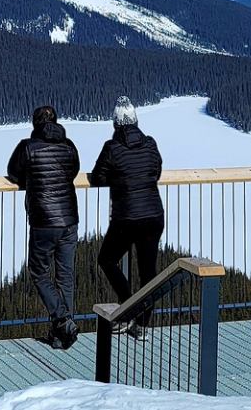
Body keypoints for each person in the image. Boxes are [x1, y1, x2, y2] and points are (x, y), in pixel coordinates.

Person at [7, 104, 82, 349]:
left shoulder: (27, 147)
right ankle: (63, 334)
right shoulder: (68, 146)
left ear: (34, 124)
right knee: (65, 275)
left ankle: (62, 320)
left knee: (39, 272)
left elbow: (13, 172)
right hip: (69, 218)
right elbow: (74, 171)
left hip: (43, 220)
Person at [89, 96, 165, 337]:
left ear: (115, 124)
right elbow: (156, 172)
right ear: (136, 121)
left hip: (127, 217)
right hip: (154, 214)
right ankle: (142, 324)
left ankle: (128, 306)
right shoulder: (151, 143)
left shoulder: (112, 148)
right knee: (148, 272)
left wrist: (119, 179)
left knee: (107, 259)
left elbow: (99, 177)